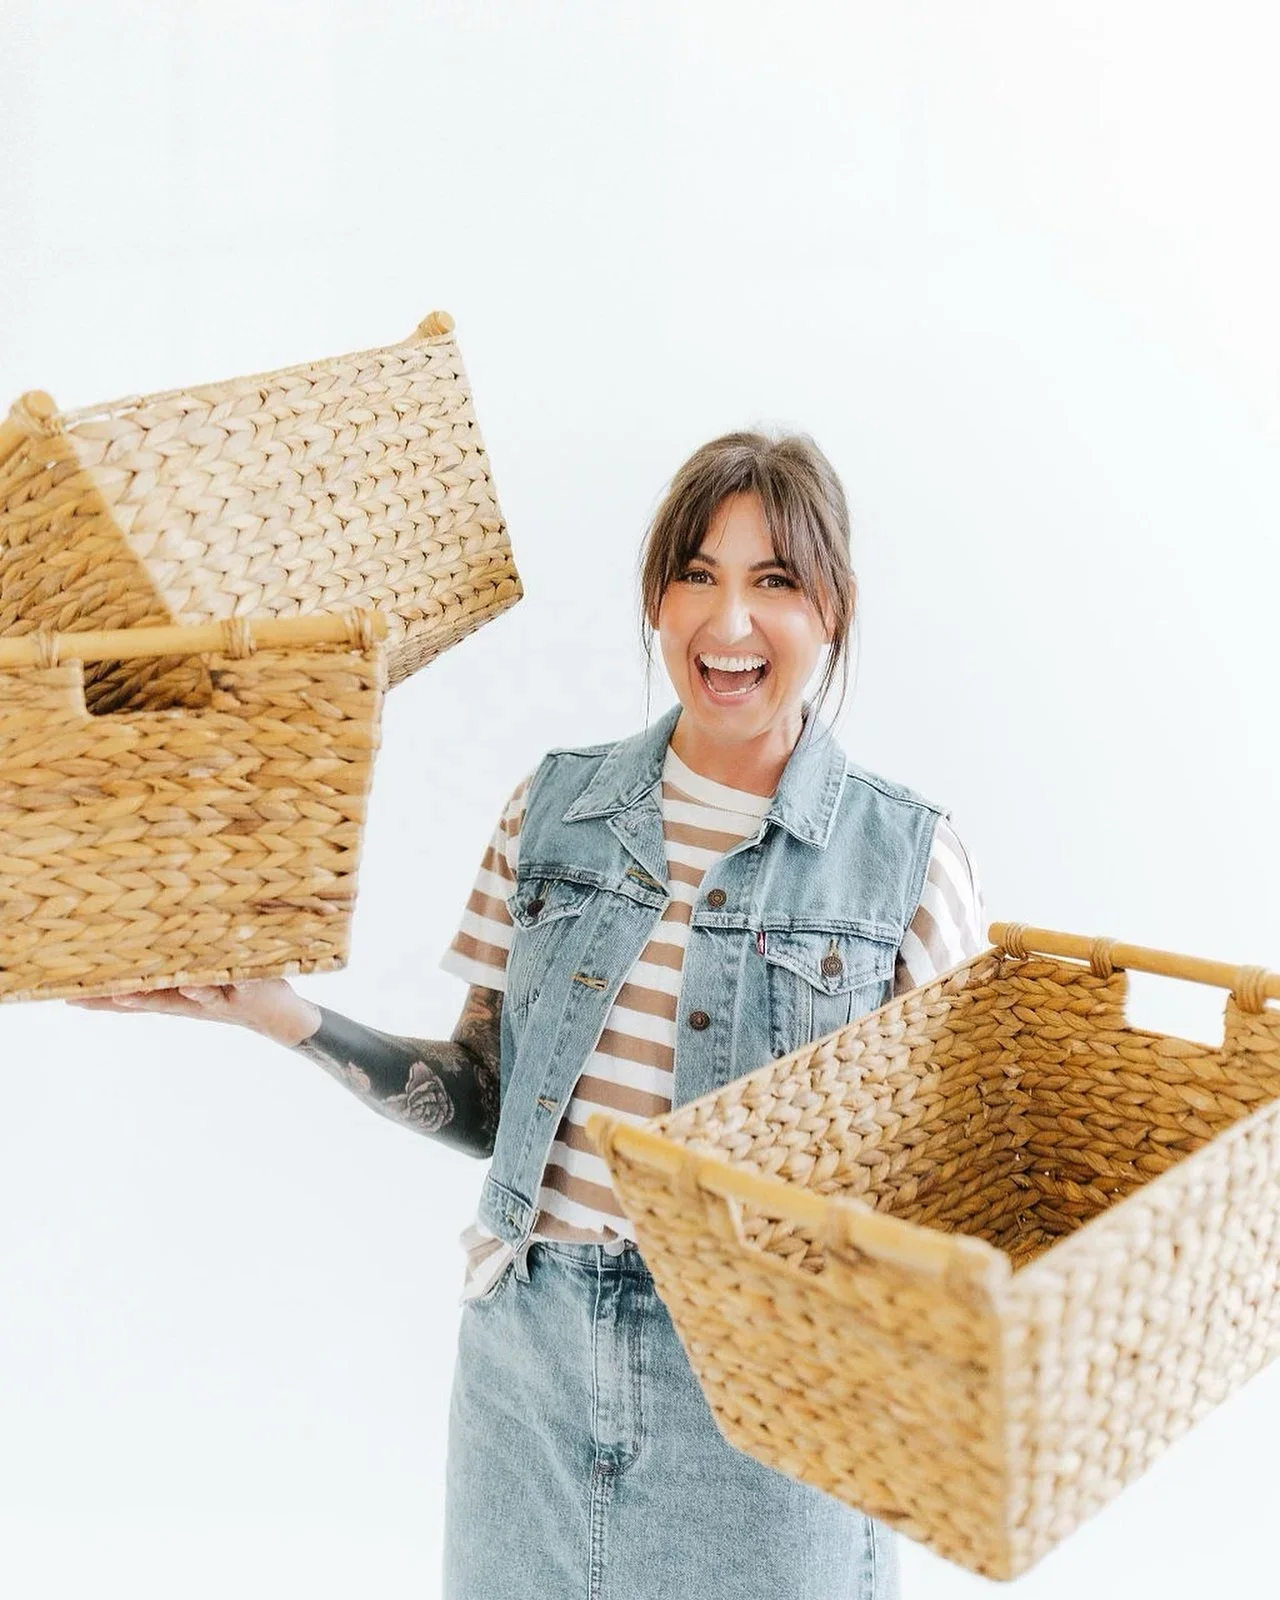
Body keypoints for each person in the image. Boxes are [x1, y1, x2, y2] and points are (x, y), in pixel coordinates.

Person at [77, 431, 987, 1600]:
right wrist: (282, 1015)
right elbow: (488, 1096)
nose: (728, 621)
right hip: (529, 1374)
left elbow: (953, 1195)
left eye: (773, 581)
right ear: (655, 598)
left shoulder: (907, 859)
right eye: (695, 574)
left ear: (833, 608)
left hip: (770, 1403)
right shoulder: (552, 814)